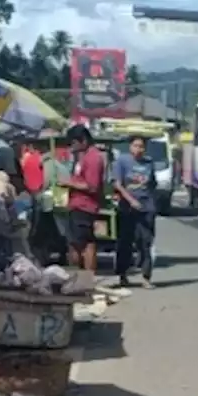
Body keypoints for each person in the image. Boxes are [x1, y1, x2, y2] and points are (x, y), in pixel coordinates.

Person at [112, 135, 158, 289]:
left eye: (141, 146)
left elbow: (153, 183)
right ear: (130, 147)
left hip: (146, 207)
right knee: (125, 241)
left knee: (146, 242)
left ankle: (146, 276)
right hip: (127, 206)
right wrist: (131, 200)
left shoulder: (149, 162)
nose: (138, 149)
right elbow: (118, 184)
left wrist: (148, 197)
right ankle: (122, 275)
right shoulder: (122, 161)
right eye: (135, 146)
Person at [64, 124, 106, 272]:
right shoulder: (83, 157)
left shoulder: (93, 158)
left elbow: (92, 186)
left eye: (73, 143)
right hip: (78, 205)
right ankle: (82, 277)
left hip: (85, 206)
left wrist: (70, 183)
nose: (71, 147)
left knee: (84, 244)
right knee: (77, 242)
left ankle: (86, 278)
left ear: (83, 141)